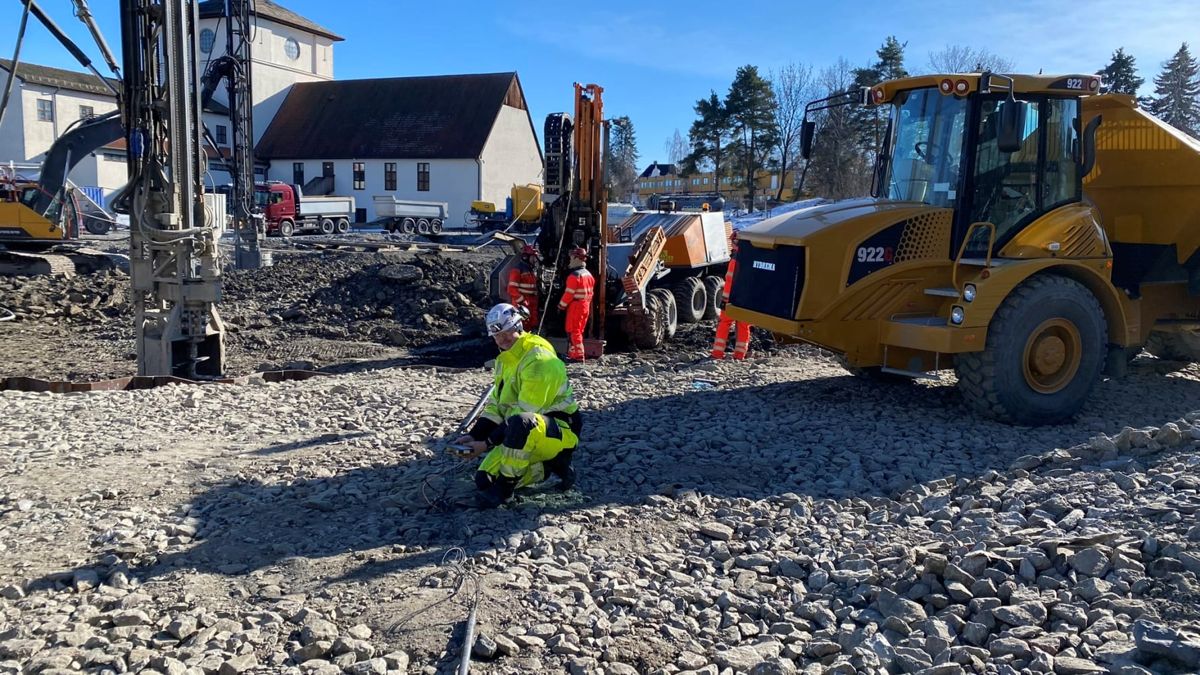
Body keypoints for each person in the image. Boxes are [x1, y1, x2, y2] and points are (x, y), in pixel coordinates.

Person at [453, 303, 582, 508]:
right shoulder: (505, 359)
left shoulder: (539, 360)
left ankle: (505, 491)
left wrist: (485, 444)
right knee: (484, 480)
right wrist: (475, 435)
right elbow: (497, 405)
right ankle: (550, 468)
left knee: (522, 423)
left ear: (518, 326)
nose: (502, 339)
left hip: (558, 430)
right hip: (522, 426)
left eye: (506, 332)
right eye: (497, 336)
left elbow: (524, 414)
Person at [712, 231, 752, 360]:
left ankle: (717, 354)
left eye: (732, 243)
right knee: (743, 326)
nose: (731, 245)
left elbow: (729, 280)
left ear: (736, 243)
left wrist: (725, 299)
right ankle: (740, 355)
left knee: (724, 323)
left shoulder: (735, 260)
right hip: (746, 299)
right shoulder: (751, 258)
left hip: (731, 299)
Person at [557, 247, 595, 362]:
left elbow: (568, 294)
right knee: (579, 331)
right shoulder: (588, 275)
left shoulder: (574, 276)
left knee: (574, 331)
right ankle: (573, 354)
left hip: (576, 306)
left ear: (576, 258)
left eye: (571, 258)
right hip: (585, 306)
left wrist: (561, 306)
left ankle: (578, 356)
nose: (569, 261)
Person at [506, 244, 540, 330]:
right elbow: (511, 289)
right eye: (533, 257)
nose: (535, 260)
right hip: (522, 302)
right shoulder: (517, 270)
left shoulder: (531, 270)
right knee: (522, 323)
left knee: (532, 322)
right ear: (526, 257)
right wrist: (522, 300)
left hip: (531, 300)